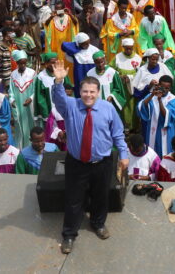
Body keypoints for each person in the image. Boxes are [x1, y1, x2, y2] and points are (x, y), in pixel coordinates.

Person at [50, 59, 129, 253]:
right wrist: (58, 82)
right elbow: (58, 99)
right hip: (77, 163)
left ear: (98, 93)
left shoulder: (108, 108)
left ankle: (98, 223)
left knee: (101, 196)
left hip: (102, 163)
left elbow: (118, 133)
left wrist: (124, 154)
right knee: (74, 199)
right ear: (80, 92)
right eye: (85, 91)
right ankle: (69, 235)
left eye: (92, 92)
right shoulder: (70, 106)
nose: (88, 95)